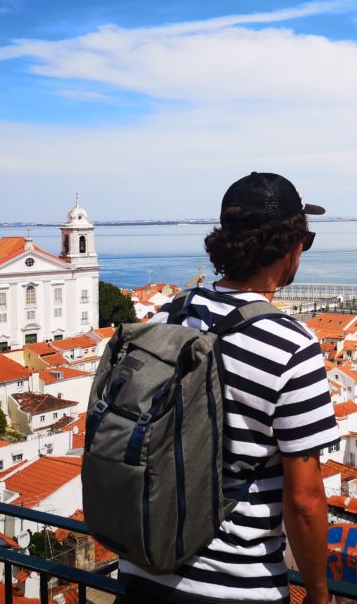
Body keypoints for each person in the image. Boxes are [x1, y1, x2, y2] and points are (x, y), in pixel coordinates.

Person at [116, 172, 339, 604]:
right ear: (288, 247)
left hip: (143, 571)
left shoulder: (170, 315)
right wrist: (318, 592)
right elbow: (305, 501)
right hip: (236, 587)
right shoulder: (292, 346)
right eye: (305, 243)